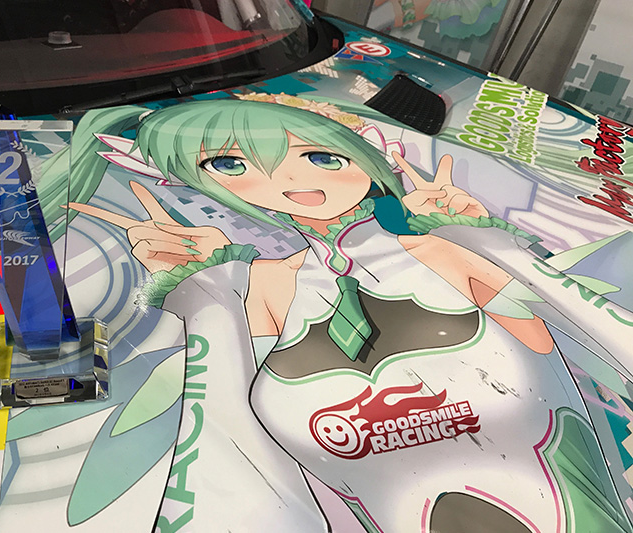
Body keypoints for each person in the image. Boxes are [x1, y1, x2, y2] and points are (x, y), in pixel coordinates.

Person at [67, 96, 633, 532]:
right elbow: (219, 432)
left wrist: (480, 239)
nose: (291, 181)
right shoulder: (259, 288)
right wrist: (202, 291)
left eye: (321, 158)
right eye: (228, 165)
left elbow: (579, 321)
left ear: (367, 155)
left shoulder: (446, 252)